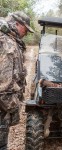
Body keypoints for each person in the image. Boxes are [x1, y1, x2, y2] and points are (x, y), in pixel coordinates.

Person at [0, 11, 34, 149]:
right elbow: (3, 86)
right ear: (17, 24)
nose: (25, 33)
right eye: (25, 29)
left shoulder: (7, 39)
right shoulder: (7, 43)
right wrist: (14, 106)